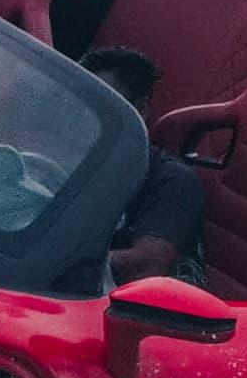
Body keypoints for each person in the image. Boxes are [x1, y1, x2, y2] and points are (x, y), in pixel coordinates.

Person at [80, 46, 207, 286]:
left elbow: (146, 265)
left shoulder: (174, 181)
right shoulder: (72, 160)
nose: (87, 111)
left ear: (141, 110)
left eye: (101, 101)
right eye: (84, 99)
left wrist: (65, 261)